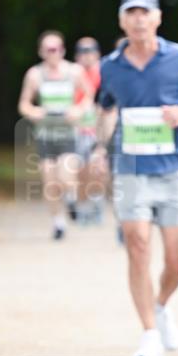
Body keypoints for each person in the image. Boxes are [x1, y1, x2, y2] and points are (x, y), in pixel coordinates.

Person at [93, 0, 178, 356]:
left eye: (145, 12)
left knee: (177, 259)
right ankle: (148, 335)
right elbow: (106, 109)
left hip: (175, 169)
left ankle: (160, 305)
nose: (139, 19)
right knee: (138, 244)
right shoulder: (110, 66)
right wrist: (99, 148)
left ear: (158, 18)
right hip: (131, 170)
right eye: (131, 12)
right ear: (122, 20)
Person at [17, 30, 94, 239]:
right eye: (49, 49)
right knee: (50, 181)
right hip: (45, 135)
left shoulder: (74, 71)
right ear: (41, 52)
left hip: (68, 133)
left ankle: (71, 197)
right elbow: (23, 104)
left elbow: (89, 95)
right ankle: (58, 223)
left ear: (63, 50)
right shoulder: (34, 75)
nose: (54, 53)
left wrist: (78, 110)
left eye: (57, 48)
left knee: (66, 175)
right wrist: (34, 112)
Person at [72, 37, 106, 223]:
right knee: (80, 170)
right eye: (82, 52)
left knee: (99, 167)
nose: (86, 55)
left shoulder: (105, 72)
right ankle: (82, 204)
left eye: (90, 51)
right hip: (77, 128)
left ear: (97, 54)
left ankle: (96, 201)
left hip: (99, 127)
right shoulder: (72, 73)